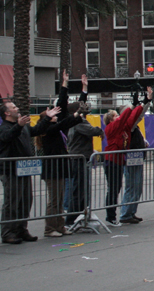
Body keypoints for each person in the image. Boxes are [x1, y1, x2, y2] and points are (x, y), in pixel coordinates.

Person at [0, 102, 58, 244]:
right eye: (14, 107)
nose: (17, 108)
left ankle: (21, 229)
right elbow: (7, 137)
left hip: (24, 169)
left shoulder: (24, 127)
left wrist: (47, 118)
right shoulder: (4, 127)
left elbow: (37, 130)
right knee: (12, 202)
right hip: (11, 170)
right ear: (7, 113)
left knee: (25, 200)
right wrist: (19, 126)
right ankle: (8, 232)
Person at [38, 71, 83, 237]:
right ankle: (50, 228)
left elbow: (63, 106)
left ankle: (60, 225)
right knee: (54, 200)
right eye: (52, 114)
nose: (55, 114)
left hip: (60, 167)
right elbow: (63, 120)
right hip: (52, 169)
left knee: (60, 198)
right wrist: (76, 114)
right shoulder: (48, 130)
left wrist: (65, 85)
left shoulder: (57, 129)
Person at [103, 99, 146, 226]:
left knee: (116, 189)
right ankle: (110, 217)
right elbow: (123, 118)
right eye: (115, 116)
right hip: (111, 161)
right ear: (110, 120)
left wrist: (143, 104)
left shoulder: (123, 129)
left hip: (119, 161)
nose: (118, 117)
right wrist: (132, 106)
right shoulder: (111, 127)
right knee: (113, 189)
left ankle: (117, 215)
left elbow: (132, 118)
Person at [66, 92, 103, 226]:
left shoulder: (78, 121)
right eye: (82, 108)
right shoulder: (78, 122)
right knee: (79, 190)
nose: (86, 109)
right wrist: (100, 131)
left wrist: (84, 90)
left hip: (81, 157)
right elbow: (92, 130)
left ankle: (80, 215)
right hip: (78, 158)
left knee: (83, 189)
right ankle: (71, 219)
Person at [119, 88, 152, 225]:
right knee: (132, 186)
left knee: (136, 186)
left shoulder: (134, 128)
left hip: (136, 157)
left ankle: (131, 212)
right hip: (131, 158)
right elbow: (139, 115)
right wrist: (146, 101)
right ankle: (126, 213)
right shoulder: (127, 126)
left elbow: (138, 116)